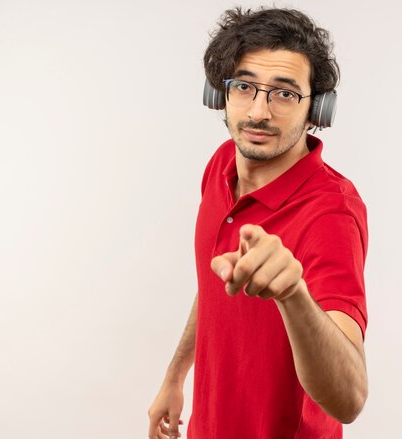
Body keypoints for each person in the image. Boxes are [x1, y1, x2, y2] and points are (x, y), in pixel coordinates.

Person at [148, 7, 368, 439]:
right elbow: (215, 288)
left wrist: (294, 295)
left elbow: (350, 398)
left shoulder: (331, 214)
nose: (259, 112)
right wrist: (175, 375)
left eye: (284, 93)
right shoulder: (222, 165)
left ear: (317, 109)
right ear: (220, 95)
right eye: (244, 87)